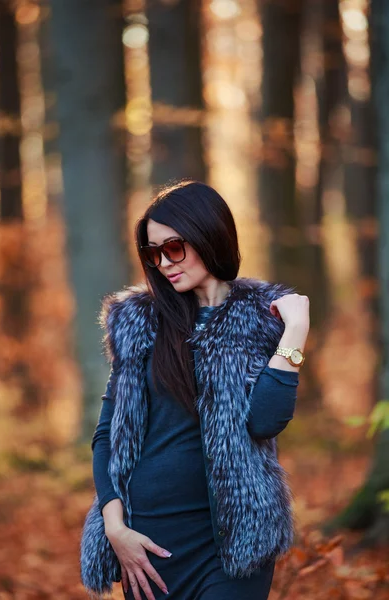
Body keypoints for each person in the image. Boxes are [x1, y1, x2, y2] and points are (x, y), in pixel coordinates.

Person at [80, 179, 310, 600]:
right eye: (153, 252)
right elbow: (106, 437)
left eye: (174, 247)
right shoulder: (139, 324)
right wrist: (116, 530)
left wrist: (294, 332)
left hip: (234, 540)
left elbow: (264, 421)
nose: (163, 262)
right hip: (149, 543)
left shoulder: (263, 318)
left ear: (210, 235)